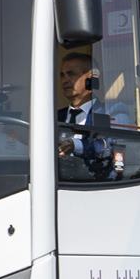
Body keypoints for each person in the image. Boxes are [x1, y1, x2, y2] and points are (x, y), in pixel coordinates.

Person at [56, 47, 124, 180]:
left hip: (96, 188)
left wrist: (75, 145)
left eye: (71, 74)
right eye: (62, 75)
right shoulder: (54, 117)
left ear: (91, 79)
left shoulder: (111, 111)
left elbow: (109, 146)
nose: (65, 80)